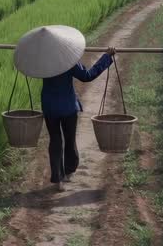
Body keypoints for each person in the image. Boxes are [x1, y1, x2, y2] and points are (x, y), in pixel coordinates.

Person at [41, 46, 115, 189]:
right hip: (68, 107)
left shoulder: (44, 63)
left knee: (55, 140)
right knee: (70, 139)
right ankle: (69, 171)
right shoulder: (68, 62)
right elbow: (87, 76)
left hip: (50, 107)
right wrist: (106, 57)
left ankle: (58, 178)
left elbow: (30, 68)